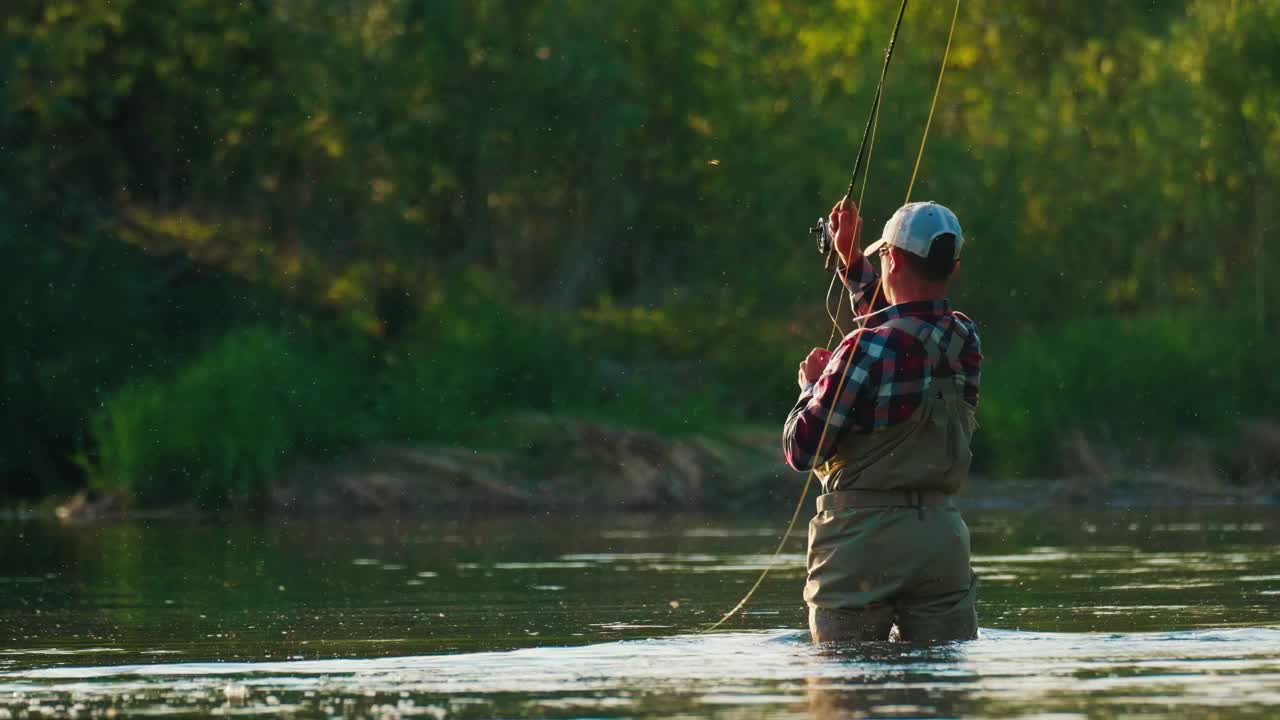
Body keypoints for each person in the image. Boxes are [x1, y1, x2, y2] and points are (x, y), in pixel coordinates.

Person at [783, 197, 982, 643]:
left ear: (890, 258)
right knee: (940, 696)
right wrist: (851, 260)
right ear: (953, 265)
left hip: (860, 546)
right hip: (941, 540)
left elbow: (802, 449)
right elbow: (902, 322)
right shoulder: (964, 339)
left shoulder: (862, 350)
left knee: (848, 696)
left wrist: (808, 388)